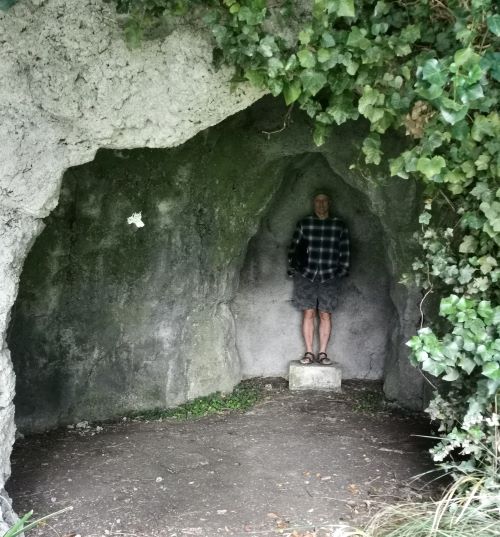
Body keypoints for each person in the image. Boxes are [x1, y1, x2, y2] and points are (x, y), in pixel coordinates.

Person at [288, 191, 350, 365]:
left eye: (324, 201)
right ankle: (309, 352)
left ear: (329, 203)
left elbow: (345, 250)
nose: (321, 204)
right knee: (308, 312)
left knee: (325, 314)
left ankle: (322, 353)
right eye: (318, 201)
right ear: (313, 203)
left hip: (330, 275)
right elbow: (293, 248)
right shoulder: (304, 224)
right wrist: (293, 269)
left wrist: (342, 271)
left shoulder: (339, 225)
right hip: (306, 274)